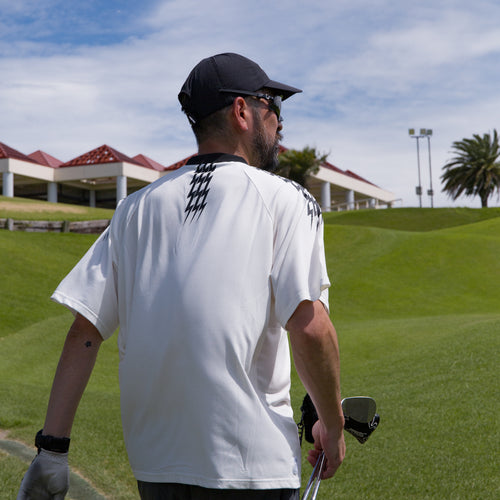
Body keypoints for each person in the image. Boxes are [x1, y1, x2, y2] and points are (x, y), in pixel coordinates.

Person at [17, 52, 345, 500]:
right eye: (273, 105)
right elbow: (309, 327)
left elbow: (84, 331)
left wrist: (52, 452)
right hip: (254, 472)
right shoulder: (288, 199)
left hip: (156, 470)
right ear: (242, 111)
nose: (280, 122)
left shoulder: (133, 209)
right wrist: (333, 425)